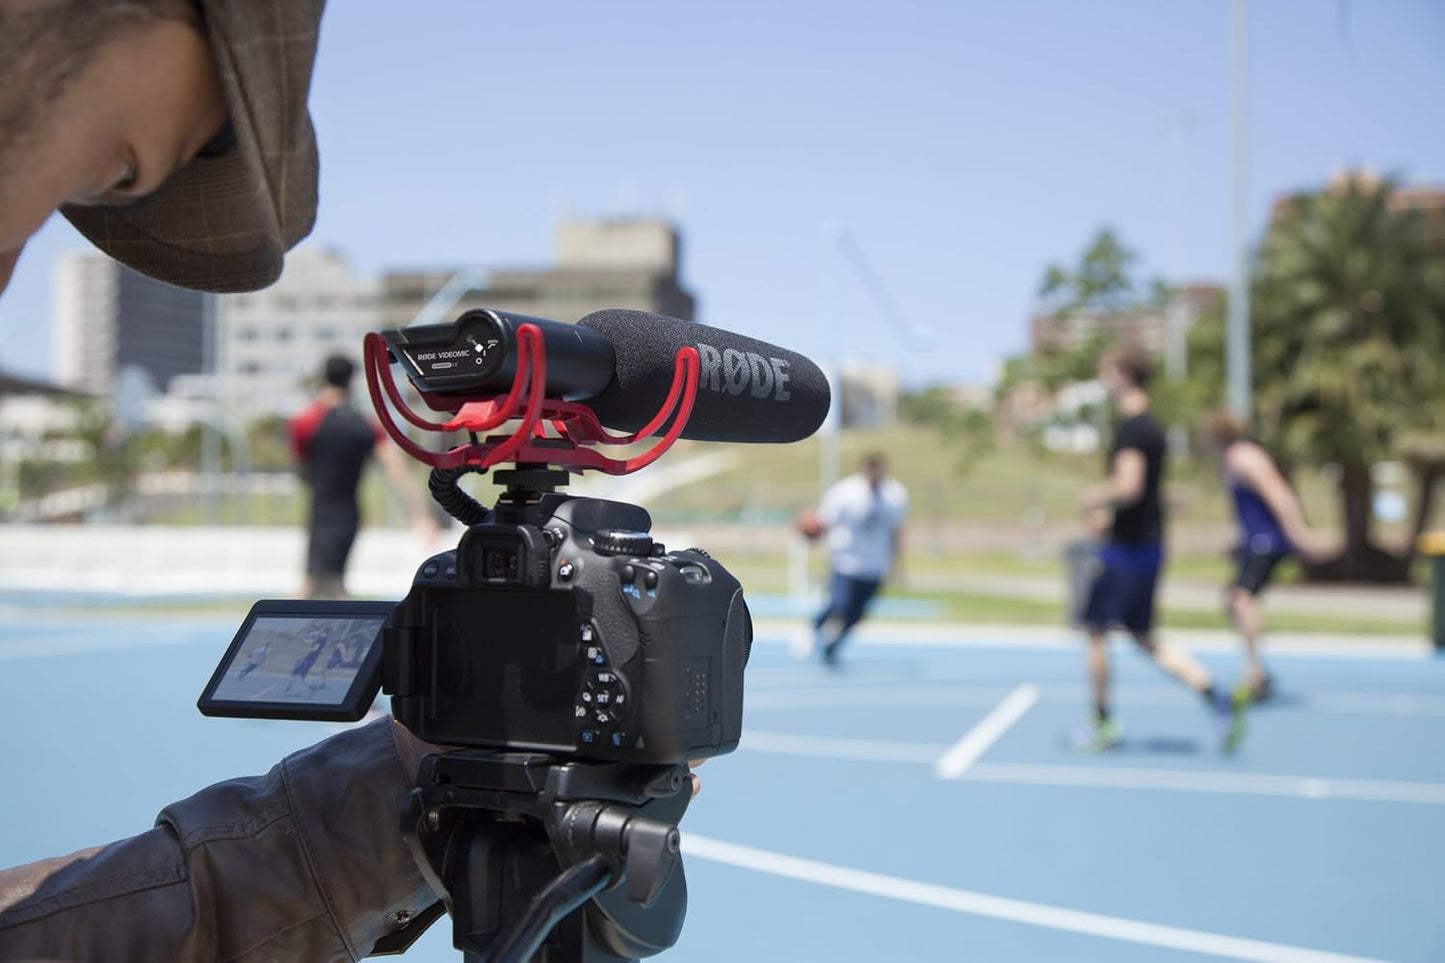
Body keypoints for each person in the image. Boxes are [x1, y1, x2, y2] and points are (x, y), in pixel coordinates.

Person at [0, 3, 705, 957]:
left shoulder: (307, 423)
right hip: (341, 530)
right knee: (333, 593)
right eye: (117, 167)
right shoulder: (350, 427)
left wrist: (388, 804)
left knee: (326, 590)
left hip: (320, 529)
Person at [1074, 346, 1248, 753]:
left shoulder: (1133, 429)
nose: (1104, 380)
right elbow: (1150, 494)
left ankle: (1100, 721)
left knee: (1095, 633)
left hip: (1126, 552)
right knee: (1142, 636)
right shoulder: (1154, 427)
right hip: (1147, 545)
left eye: (1107, 371)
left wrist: (1094, 499)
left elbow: (1129, 487)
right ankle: (1214, 693)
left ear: (1123, 374)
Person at [1203, 409, 1329, 701]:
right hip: (1256, 540)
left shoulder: (1245, 457)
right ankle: (1256, 666)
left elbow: (1279, 494)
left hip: (1268, 541)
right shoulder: (1232, 459)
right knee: (1233, 601)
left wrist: (1298, 534)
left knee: (1241, 599)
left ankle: (1255, 671)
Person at [291, 355, 437, 600]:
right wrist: (419, 516)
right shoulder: (364, 426)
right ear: (351, 381)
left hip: (321, 511)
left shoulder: (305, 421)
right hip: (350, 513)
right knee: (330, 585)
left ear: (324, 377)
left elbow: (299, 467)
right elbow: (396, 470)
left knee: (319, 588)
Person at [800, 452, 907, 666]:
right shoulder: (845, 492)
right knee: (840, 605)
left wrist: (898, 565)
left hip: (874, 565)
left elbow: (896, 531)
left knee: (857, 615)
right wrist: (813, 534)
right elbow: (824, 521)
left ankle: (833, 647)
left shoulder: (895, 495)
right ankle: (816, 624)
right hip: (846, 562)